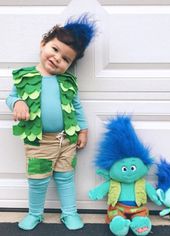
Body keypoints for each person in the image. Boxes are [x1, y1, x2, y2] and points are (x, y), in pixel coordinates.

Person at [5, 14, 96, 231]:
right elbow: (10, 97)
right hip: (38, 142)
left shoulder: (68, 82)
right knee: (37, 180)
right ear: (43, 44)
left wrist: (83, 130)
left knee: (66, 178)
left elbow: (77, 107)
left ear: (70, 64)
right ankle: (35, 214)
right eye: (55, 50)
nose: (57, 58)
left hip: (66, 140)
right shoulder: (24, 76)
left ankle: (69, 213)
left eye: (66, 59)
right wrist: (17, 102)